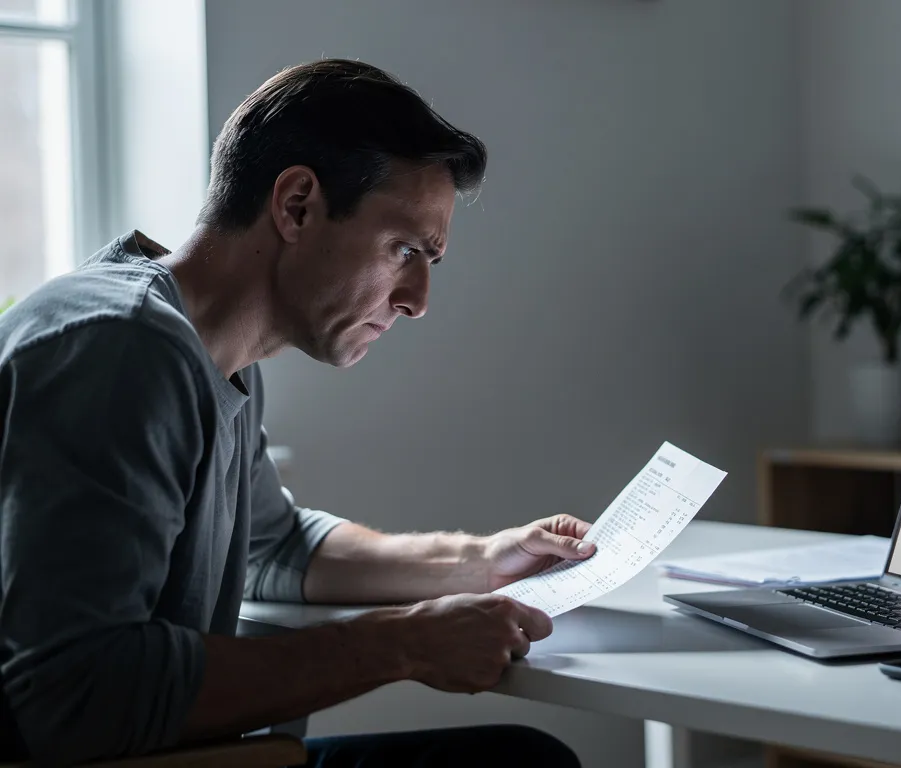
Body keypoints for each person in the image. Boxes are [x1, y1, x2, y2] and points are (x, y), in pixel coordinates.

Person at [0, 58, 592, 767]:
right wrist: (404, 642)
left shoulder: (213, 353)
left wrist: (480, 561)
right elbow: (72, 694)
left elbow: (276, 549)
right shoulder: (122, 349)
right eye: (405, 250)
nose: (417, 299)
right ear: (297, 206)